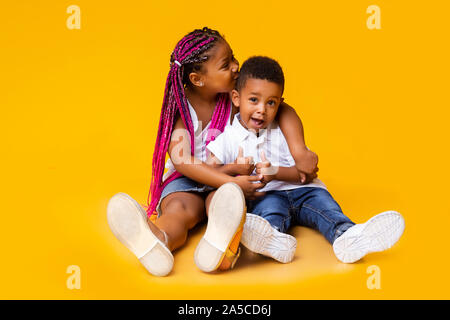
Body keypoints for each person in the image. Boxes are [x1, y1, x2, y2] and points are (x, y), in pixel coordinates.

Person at [106, 27, 318, 276]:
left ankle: (220, 246)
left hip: (231, 176)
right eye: (226, 64)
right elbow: (182, 159)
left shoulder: (238, 95)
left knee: (222, 205)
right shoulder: (182, 108)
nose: (236, 66)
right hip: (189, 179)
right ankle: (157, 240)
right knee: (180, 210)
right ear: (198, 79)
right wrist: (229, 180)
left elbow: (282, 108)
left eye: (233, 58)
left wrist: (299, 150)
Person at [206, 56, 405, 264]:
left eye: (271, 103)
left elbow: (303, 174)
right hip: (268, 194)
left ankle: (348, 235)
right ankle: (273, 239)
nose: (262, 110)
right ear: (236, 98)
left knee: (327, 210)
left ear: (280, 104)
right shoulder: (228, 138)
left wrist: (273, 172)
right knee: (268, 215)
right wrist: (236, 169)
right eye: (254, 100)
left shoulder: (284, 128)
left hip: (307, 191)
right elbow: (210, 172)